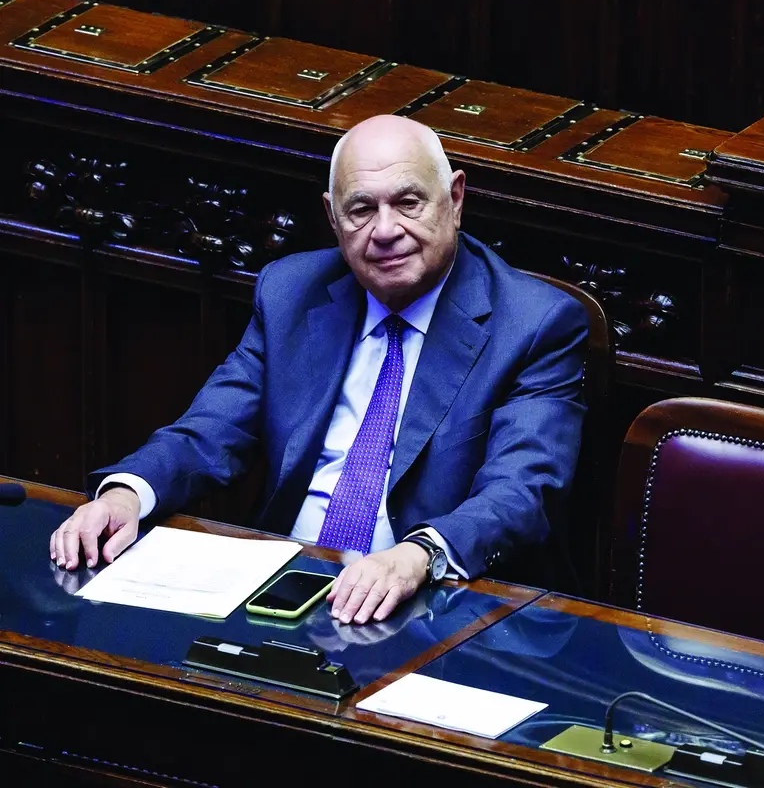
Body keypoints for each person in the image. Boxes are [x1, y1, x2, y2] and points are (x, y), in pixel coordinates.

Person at [48, 116, 589, 624]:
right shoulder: (291, 292)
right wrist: (127, 494)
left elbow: (521, 490)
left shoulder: (535, 324)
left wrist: (419, 555)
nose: (385, 230)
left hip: (438, 601)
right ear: (332, 217)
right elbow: (211, 431)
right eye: (361, 210)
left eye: (408, 203)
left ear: (455, 199)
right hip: (284, 588)